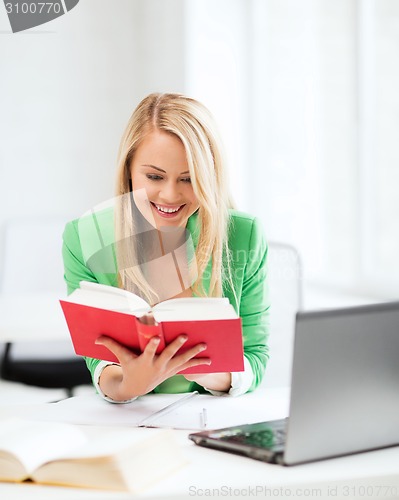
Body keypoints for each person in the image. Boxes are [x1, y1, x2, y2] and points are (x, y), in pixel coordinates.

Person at [62, 93, 270, 402]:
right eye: (154, 176)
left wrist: (206, 370)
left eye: (188, 178)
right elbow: (100, 363)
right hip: (131, 423)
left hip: (209, 420)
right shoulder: (83, 237)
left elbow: (255, 356)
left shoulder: (244, 235)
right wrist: (129, 384)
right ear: (128, 171)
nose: (170, 195)